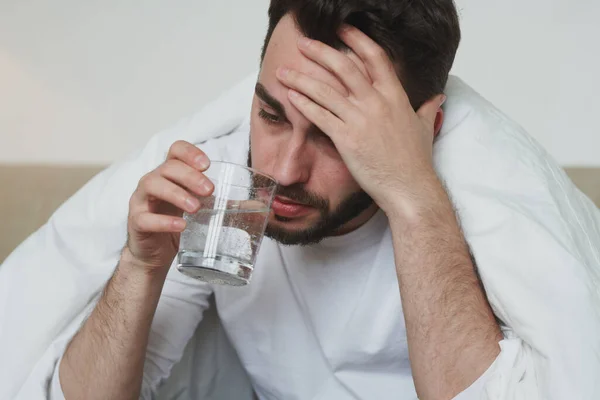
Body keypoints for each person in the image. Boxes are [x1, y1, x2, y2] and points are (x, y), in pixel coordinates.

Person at [48, 1, 591, 399]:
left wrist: (414, 198)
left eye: (333, 134)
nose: (282, 171)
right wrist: (139, 269)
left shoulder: (481, 215)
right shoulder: (228, 194)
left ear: (426, 129)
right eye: (271, 116)